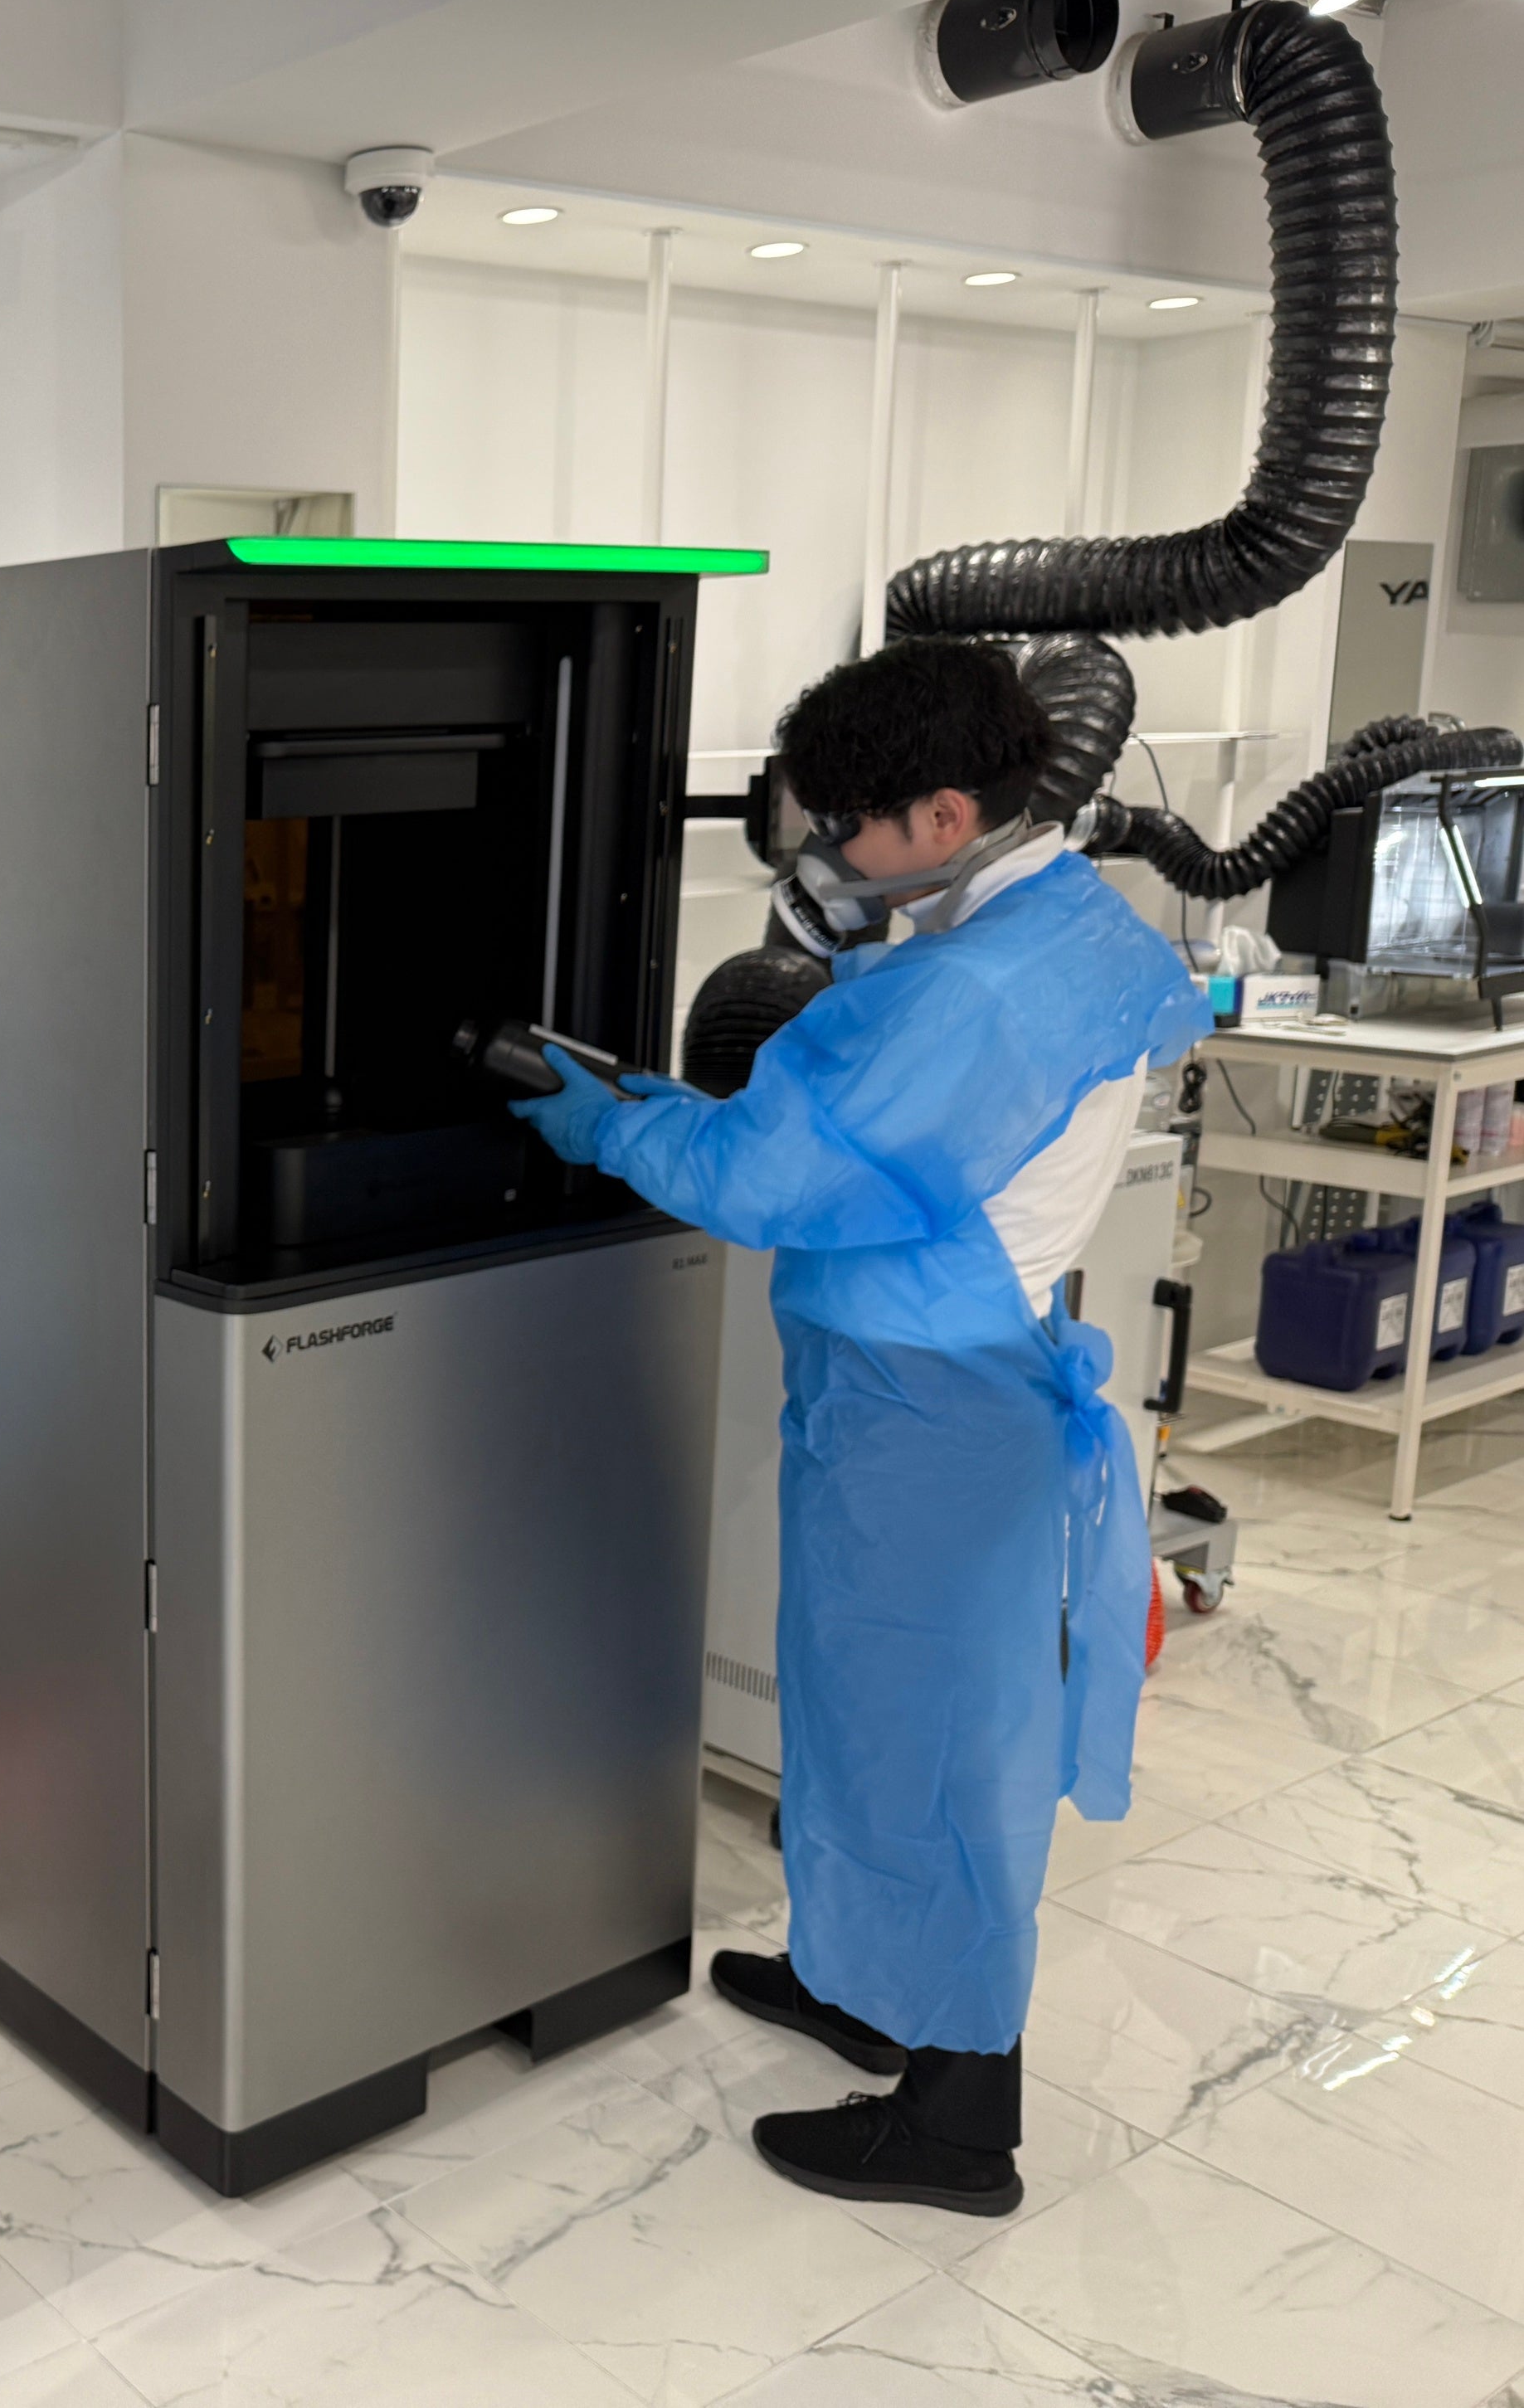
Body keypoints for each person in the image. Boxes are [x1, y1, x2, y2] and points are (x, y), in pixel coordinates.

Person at [511, 638, 1208, 2216]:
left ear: (946, 814)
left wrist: (608, 1118)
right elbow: (855, 1141)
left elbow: (769, 1177)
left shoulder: (969, 993)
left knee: (943, 1751)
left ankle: (961, 2120)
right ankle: (864, 1982)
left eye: (845, 828)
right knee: (859, 1711)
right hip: (915, 1385)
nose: (825, 857)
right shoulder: (1062, 920)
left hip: (935, 1416)